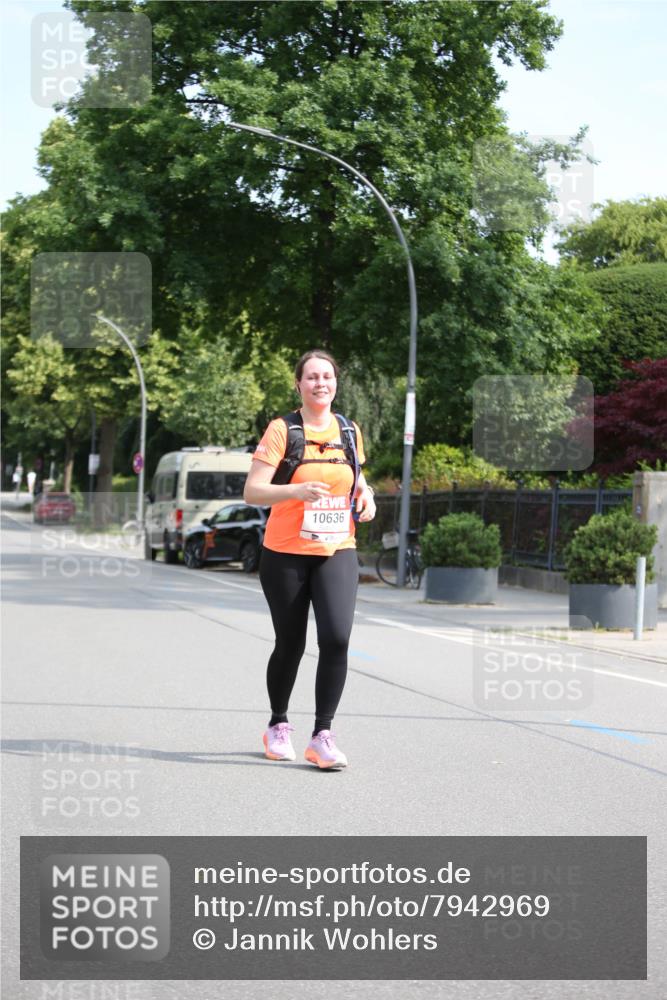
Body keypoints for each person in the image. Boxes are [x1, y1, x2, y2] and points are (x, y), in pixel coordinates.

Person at [244, 349, 376, 770]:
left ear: (336, 383)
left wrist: (366, 494)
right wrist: (295, 492)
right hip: (285, 552)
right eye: (312, 377)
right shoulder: (283, 430)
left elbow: (357, 476)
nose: (321, 383)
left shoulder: (350, 430)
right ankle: (278, 724)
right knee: (291, 643)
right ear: (299, 384)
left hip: (338, 547)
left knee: (336, 638)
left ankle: (323, 735)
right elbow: (253, 491)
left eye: (328, 377)